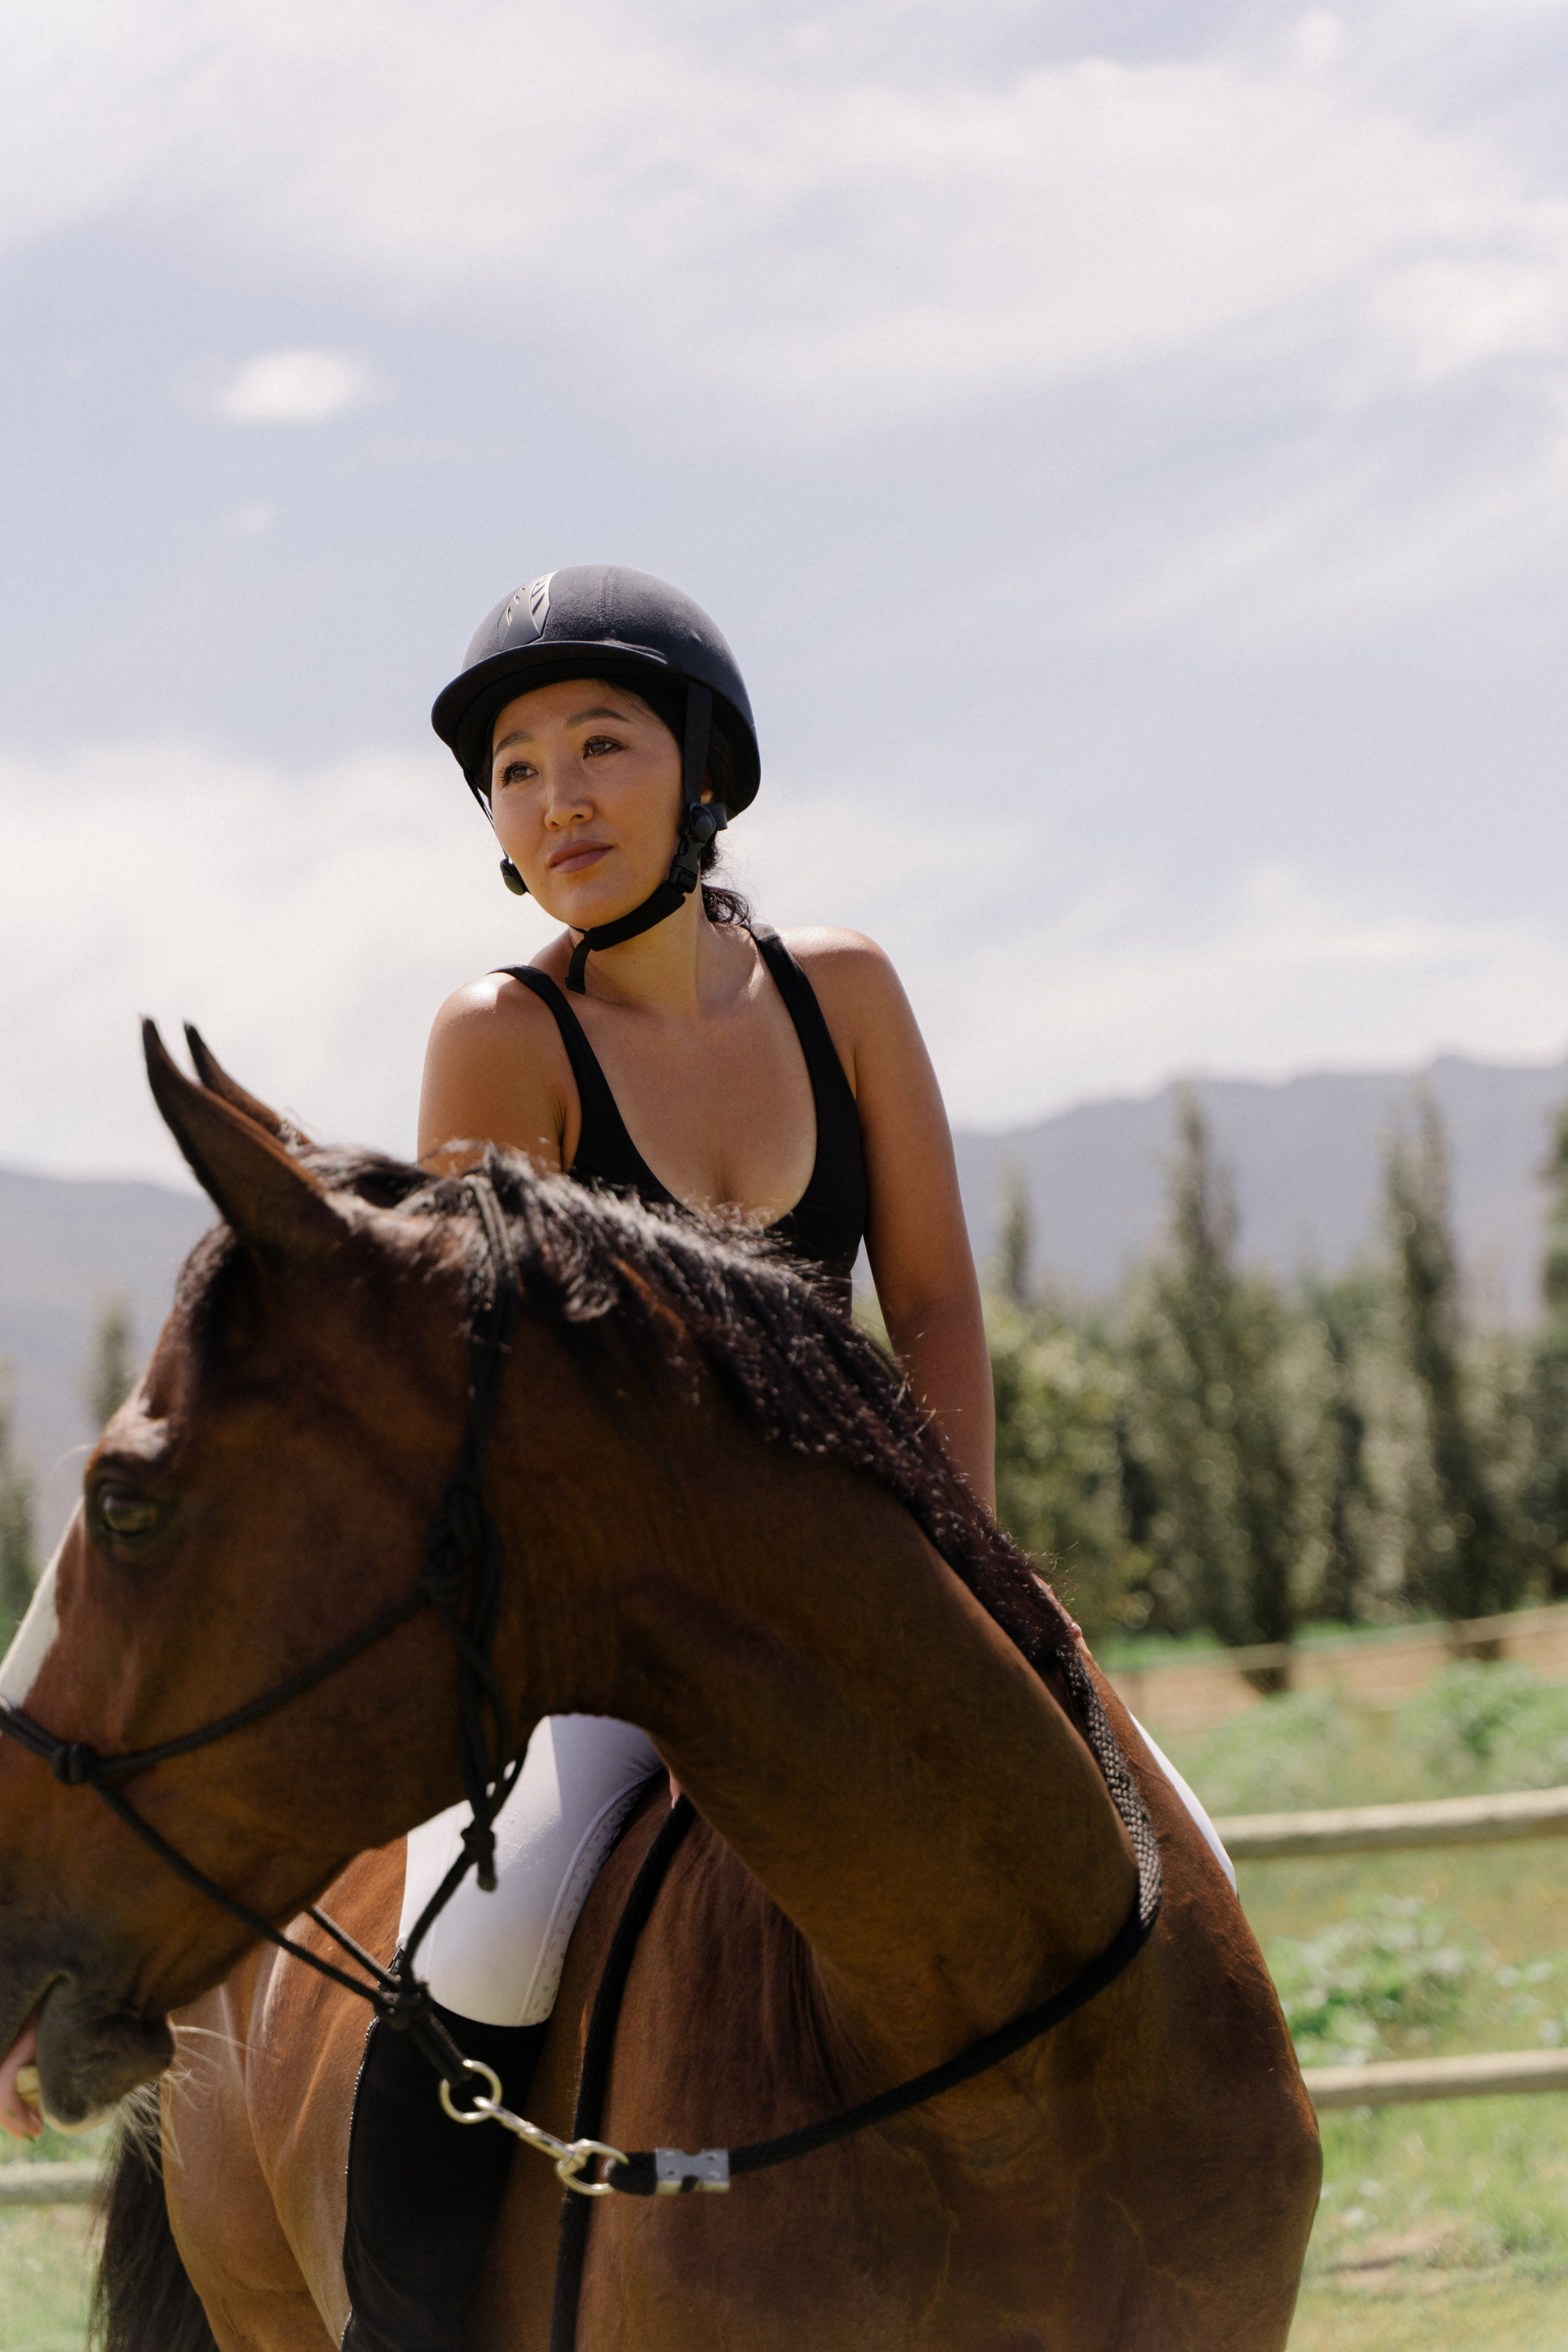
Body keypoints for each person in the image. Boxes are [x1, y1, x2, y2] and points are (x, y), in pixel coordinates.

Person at [340, 565, 995, 2351]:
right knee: (479, 1940)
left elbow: (931, 1304)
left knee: (1141, 1837)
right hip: (623, 1637)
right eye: (516, 768)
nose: (556, 797)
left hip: (884, 1577)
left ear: (705, 771)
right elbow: (505, 1411)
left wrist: (962, 1570)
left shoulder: (843, 992)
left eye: (602, 746)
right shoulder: (501, 1033)